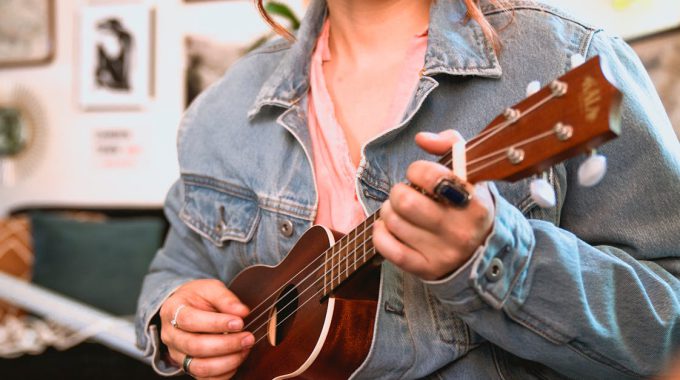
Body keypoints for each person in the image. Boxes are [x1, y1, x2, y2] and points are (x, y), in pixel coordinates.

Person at [135, 0, 680, 379]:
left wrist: (497, 258)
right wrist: (173, 315)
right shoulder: (222, 108)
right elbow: (177, 263)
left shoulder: (565, 56)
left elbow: (667, 330)